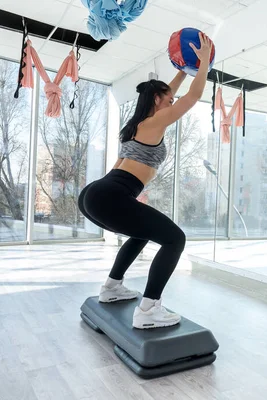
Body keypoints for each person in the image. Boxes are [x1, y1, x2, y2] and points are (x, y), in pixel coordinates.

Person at [78, 33, 213, 329]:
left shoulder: (137, 125)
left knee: (141, 233)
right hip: (110, 194)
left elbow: (172, 92)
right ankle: (149, 310)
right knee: (175, 239)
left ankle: (112, 288)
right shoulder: (153, 123)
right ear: (156, 100)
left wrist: (183, 67)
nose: (172, 102)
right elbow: (193, 96)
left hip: (97, 194)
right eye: (168, 100)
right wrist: (202, 64)